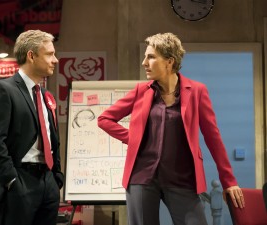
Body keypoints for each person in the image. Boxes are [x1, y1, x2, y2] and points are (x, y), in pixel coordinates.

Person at [98, 32, 245, 225]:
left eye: (151, 57)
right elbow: (105, 119)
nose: (144, 63)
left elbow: (213, 138)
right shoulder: (141, 91)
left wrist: (229, 181)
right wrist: (134, 138)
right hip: (142, 176)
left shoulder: (197, 91)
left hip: (182, 178)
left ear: (169, 61)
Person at [0, 30, 63, 225]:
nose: (56, 60)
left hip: (48, 181)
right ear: (31, 56)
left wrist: (56, 177)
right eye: (50, 54)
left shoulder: (45, 94)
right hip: (19, 181)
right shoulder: (4, 89)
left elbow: (52, 138)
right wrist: (11, 180)